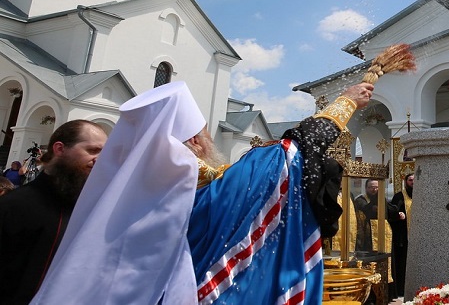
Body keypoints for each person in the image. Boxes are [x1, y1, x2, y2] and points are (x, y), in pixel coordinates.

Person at [32, 80, 373, 304]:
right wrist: (345, 102)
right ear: (194, 141)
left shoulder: (124, 189)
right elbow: (287, 156)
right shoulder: (185, 178)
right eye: (205, 133)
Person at [0, 119, 107, 305]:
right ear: (59, 149)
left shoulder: (94, 209)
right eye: (93, 150)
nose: (100, 159)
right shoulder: (14, 206)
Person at [389, 173, 413, 298]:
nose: (412, 182)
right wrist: (398, 215)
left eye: (414, 179)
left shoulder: (422, 194)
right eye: (410, 180)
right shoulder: (399, 196)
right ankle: (401, 289)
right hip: (403, 237)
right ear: (405, 182)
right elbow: (392, 213)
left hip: (417, 237)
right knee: (402, 263)